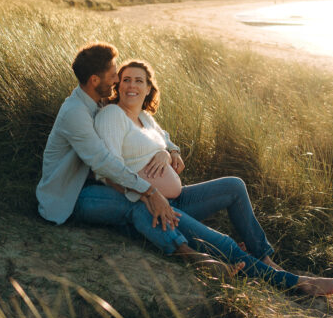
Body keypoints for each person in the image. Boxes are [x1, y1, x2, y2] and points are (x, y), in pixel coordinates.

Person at [93, 59, 333, 297]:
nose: (132, 85)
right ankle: (295, 283)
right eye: (126, 80)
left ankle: (265, 257)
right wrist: (149, 195)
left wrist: (170, 152)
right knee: (223, 243)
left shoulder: (146, 118)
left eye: (139, 80)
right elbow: (109, 169)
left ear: (149, 88)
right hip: (153, 206)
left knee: (234, 186)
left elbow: (165, 139)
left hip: (176, 199)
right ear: (118, 85)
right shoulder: (112, 115)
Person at [36, 42, 236, 275]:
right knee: (137, 203)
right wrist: (149, 191)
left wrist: (170, 150)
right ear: (94, 80)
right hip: (71, 195)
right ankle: (189, 254)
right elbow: (104, 163)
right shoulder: (76, 113)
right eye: (113, 75)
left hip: (98, 187)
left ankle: (202, 245)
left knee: (139, 204)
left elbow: (152, 127)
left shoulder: (98, 100)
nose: (116, 81)